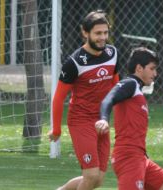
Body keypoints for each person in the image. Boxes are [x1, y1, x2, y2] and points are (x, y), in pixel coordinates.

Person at [95, 47, 163, 190]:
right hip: (128, 157)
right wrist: (104, 119)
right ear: (139, 68)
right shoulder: (129, 83)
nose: (155, 73)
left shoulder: (137, 90)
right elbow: (108, 99)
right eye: (152, 69)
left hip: (141, 158)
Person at [48, 10, 119, 190]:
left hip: (102, 121)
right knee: (91, 175)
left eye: (105, 32)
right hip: (81, 121)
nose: (103, 37)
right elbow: (58, 98)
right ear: (85, 33)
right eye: (98, 33)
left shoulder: (113, 53)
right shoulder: (74, 63)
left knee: (98, 179)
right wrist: (56, 129)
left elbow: (115, 85)